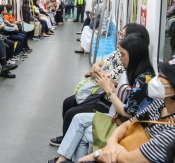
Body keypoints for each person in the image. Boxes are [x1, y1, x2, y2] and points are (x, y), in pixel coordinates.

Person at [48, 33, 155, 163]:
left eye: (123, 55)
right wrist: (111, 85)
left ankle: (67, 159)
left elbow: (127, 111)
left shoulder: (143, 80)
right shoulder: (133, 72)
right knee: (77, 118)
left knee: (84, 130)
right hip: (118, 117)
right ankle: (63, 159)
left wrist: (109, 90)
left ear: (135, 55)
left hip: (127, 125)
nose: (121, 58)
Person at [78, 59, 175, 163]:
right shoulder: (160, 104)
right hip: (120, 151)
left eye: (161, 77)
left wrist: (97, 154)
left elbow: (127, 159)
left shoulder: (170, 133)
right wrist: (112, 143)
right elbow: (128, 124)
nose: (155, 80)